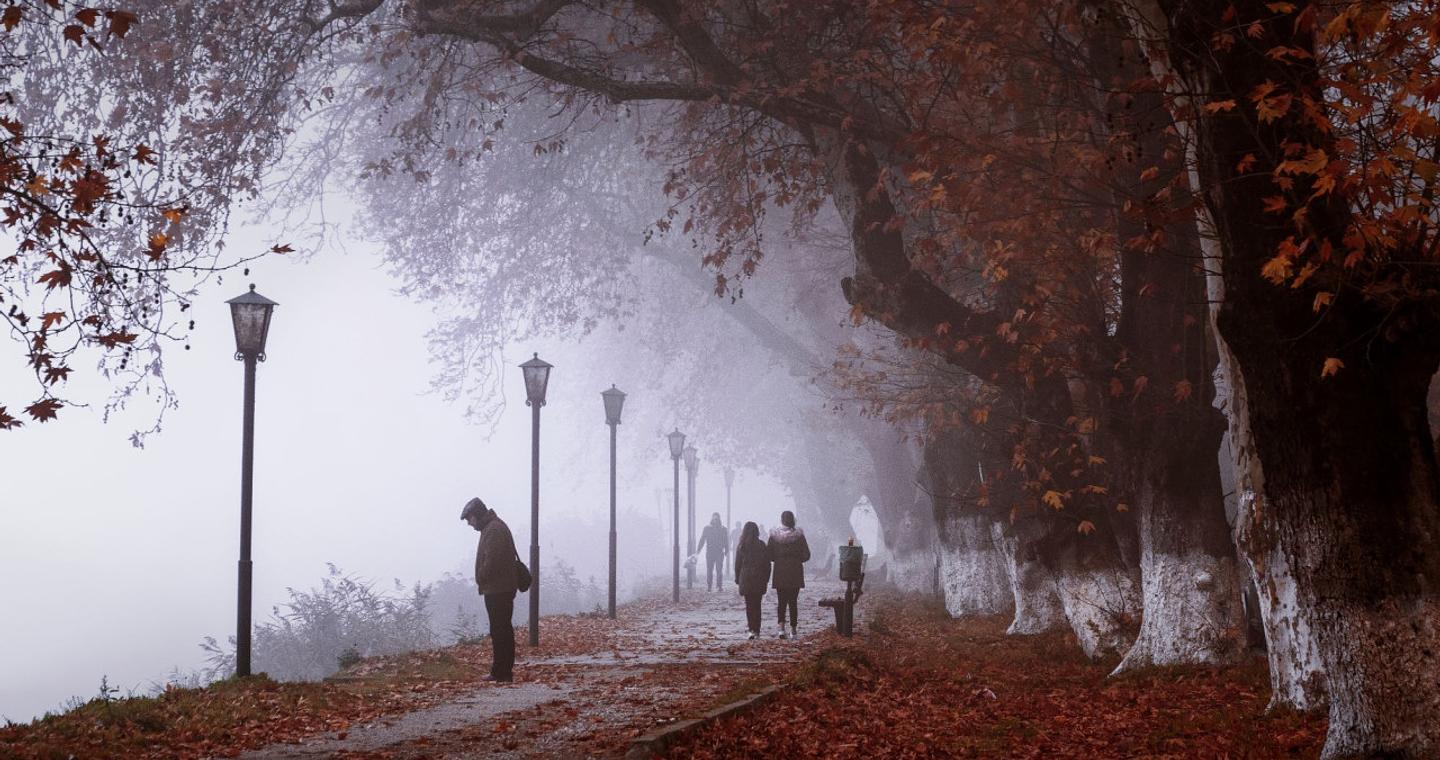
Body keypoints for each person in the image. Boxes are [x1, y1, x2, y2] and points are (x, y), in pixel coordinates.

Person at [462, 497, 518, 682]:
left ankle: (502, 672)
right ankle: (500, 670)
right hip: (499, 587)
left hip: (498, 588)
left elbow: (492, 561)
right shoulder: (493, 527)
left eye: (470, 519)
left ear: (476, 515)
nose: (470, 524)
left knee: (500, 630)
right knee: (500, 629)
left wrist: (481, 577)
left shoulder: (493, 530)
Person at [767, 510, 811, 639]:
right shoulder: (799, 536)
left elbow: (769, 554)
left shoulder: (774, 536)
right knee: (793, 601)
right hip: (795, 571)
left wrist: (779, 559)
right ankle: (793, 630)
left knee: (781, 601)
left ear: (781, 520)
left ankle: (781, 628)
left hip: (780, 571)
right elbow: (807, 554)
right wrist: (797, 559)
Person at [733, 521, 771, 639]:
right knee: (757, 605)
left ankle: (751, 629)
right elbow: (767, 564)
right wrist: (766, 578)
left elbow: (737, 564)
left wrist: (737, 578)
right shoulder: (762, 545)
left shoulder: (742, 546)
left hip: (746, 578)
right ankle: (757, 630)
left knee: (749, 605)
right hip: (759, 578)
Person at [695, 512, 730, 591]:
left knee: (719, 570)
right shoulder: (707, 529)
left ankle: (719, 586)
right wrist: (698, 550)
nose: (715, 520)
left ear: (719, 519)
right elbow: (702, 540)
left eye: (717, 519)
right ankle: (709, 586)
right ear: (712, 519)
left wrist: (726, 550)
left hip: (719, 552)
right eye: (714, 519)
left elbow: (726, 541)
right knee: (710, 569)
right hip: (710, 552)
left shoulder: (723, 529)